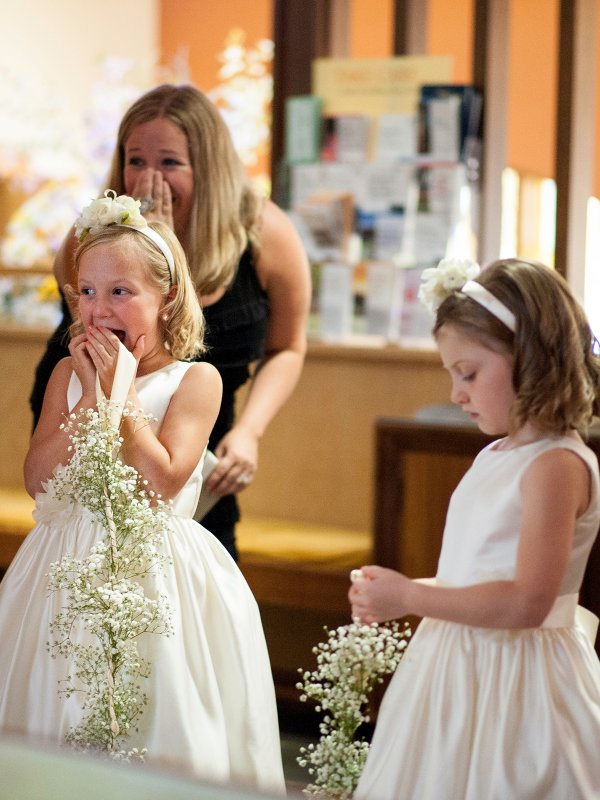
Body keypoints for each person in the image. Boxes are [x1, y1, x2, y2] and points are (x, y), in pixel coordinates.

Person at [0, 193, 285, 792]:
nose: (98, 310)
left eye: (121, 292)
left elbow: (160, 484)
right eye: (87, 292)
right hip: (64, 564)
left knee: (153, 712)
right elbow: (38, 479)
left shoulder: (196, 379)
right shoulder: (64, 371)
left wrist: (119, 396)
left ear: (167, 299)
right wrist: (84, 392)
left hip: (156, 572)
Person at [349, 257, 600, 800]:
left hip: (518, 681)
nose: (457, 393)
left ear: (531, 359)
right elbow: (478, 572)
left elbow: (526, 602)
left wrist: (412, 595)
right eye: (451, 375)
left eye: (469, 373)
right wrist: (392, 592)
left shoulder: (555, 465)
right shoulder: (497, 454)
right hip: (456, 666)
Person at [29, 83, 312, 560]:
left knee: (192, 555)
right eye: (135, 161)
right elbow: (105, 328)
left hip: (196, 423)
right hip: (88, 395)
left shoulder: (264, 229)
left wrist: (249, 432)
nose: (148, 178)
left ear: (208, 166)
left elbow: (287, 345)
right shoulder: (96, 230)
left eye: (170, 163)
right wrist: (144, 237)